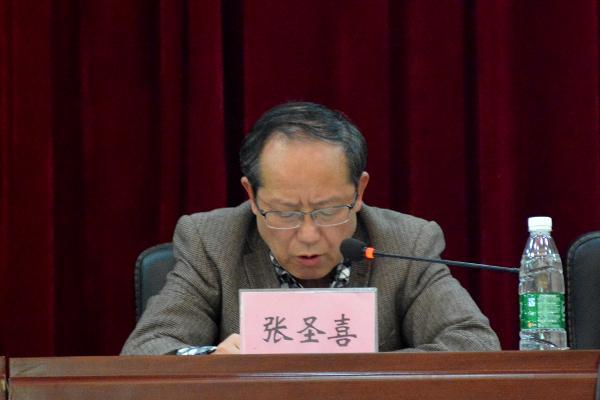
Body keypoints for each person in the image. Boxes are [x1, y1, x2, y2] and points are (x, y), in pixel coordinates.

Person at [121, 102, 500, 355]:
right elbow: (148, 349)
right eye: (285, 213)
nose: (308, 235)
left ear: (359, 191)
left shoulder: (407, 242)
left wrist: (357, 373)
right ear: (251, 196)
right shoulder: (211, 241)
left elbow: (473, 344)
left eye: (328, 210)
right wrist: (213, 361)